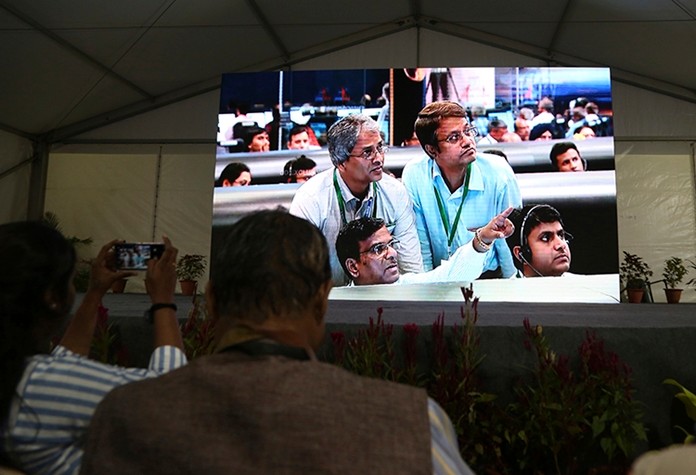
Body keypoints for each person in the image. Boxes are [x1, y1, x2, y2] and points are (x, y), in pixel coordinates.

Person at [80, 210, 475, 475]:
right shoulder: (412, 421)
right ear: (323, 300)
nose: (388, 254)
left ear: (212, 302)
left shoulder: (123, 416)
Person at [0, 221, 186, 474]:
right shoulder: (37, 383)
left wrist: (95, 291)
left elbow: (62, 365)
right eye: (70, 280)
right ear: (52, 298)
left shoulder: (19, 374)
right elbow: (171, 397)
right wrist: (164, 302)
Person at [290, 114, 423, 286]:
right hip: (329, 302)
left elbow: (411, 267)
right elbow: (299, 275)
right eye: (367, 152)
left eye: (380, 148)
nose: (379, 158)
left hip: (384, 300)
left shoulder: (395, 192)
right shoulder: (311, 199)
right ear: (341, 161)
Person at [402, 101, 522, 278]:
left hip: (488, 278)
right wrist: (425, 290)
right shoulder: (415, 174)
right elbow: (421, 244)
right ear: (432, 150)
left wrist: (511, 289)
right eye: (454, 138)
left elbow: (508, 242)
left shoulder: (498, 171)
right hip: (439, 278)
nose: (467, 141)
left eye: (467, 131)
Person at [336, 207, 514, 285]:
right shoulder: (336, 305)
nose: (391, 254)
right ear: (353, 266)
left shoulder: (411, 287)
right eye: (378, 249)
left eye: (390, 244)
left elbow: (452, 276)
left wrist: (483, 239)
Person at [507, 204, 573, 277]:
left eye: (561, 236)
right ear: (521, 254)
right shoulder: (506, 288)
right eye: (545, 238)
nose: (561, 245)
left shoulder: (582, 285)